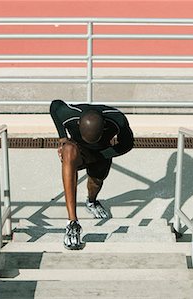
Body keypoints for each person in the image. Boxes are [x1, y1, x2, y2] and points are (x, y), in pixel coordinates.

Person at [50, 99, 134, 250]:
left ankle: (91, 201)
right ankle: (72, 222)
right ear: (78, 125)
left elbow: (127, 144)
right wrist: (62, 137)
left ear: (104, 128)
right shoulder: (70, 115)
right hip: (79, 151)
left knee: (96, 182)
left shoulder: (117, 119)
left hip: (102, 153)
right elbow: (55, 105)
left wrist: (99, 156)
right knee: (68, 150)